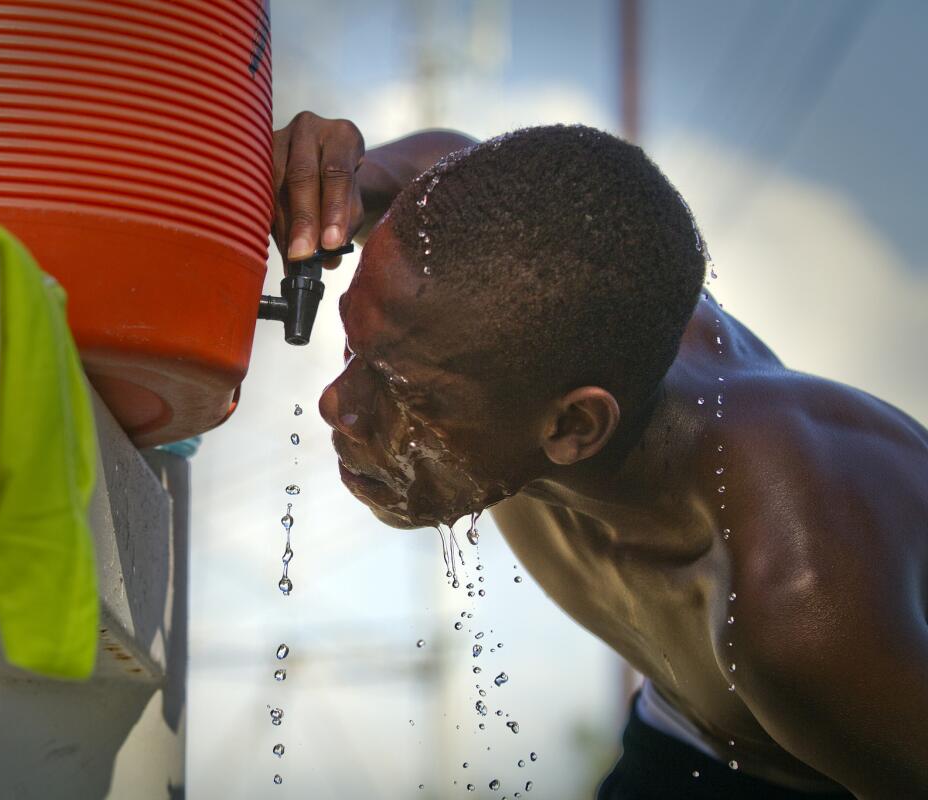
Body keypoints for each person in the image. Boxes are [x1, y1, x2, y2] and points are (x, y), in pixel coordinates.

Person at [269, 111, 928, 799]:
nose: (337, 405)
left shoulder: (795, 608)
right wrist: (331, 182)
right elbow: (446, 169)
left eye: (409, 395)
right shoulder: (484, 308)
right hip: (684, 733)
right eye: (354, 348)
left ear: (576, 425)